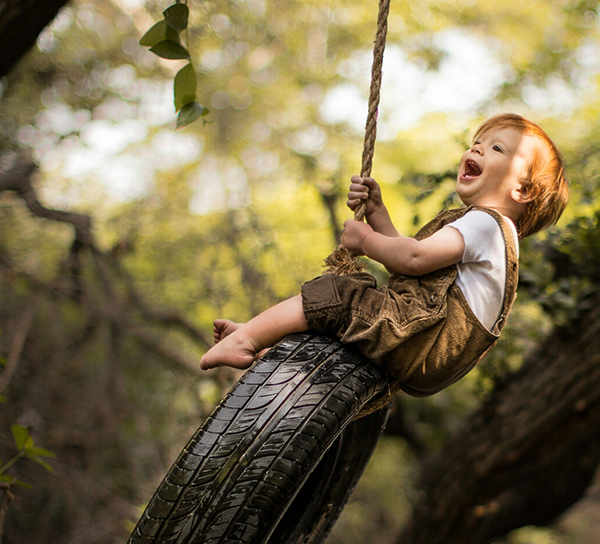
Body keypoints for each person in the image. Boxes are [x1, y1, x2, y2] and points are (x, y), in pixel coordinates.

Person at [200, 113, 569, 396]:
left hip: (424, 343)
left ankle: (247, 338)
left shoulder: (487, 225)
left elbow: (411, 260)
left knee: (342, 295)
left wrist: (365, 242)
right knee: (357, 313)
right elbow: (413, 268)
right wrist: (377, 214)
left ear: (523, 189)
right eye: (477, 142)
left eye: (496, 148)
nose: (476, 150)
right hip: (426, 352)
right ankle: (271, 348)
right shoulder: (489, 235)